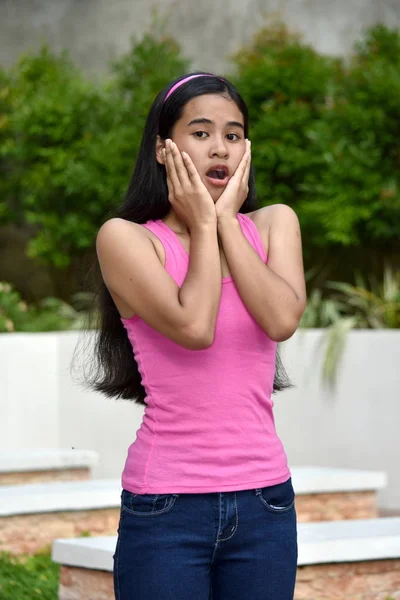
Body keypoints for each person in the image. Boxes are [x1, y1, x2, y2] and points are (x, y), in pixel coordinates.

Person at [93, 72, 306, 600]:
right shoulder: (127, 239)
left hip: (267, 502)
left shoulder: (275, 224)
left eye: (233, 135)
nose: (220, 147)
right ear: (164, 148)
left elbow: (281, 321)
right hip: (167, 506)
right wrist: (204, 226)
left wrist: (226, 222)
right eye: (202, 132)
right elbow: (195, 326)